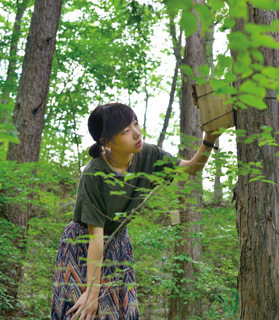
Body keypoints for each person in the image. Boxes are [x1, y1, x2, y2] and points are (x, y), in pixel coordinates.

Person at [50, 103, 221, 319]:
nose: (137, 133)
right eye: (126, 131)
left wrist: (209, 140)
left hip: (118, 242)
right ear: (106, 141)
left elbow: (192, 168)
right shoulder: (93, 174)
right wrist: (92, 292)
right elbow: (96, 237)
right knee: (82, 312)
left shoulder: (149, 154)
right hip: (83, 246)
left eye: (135, 124)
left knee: (120, 313)